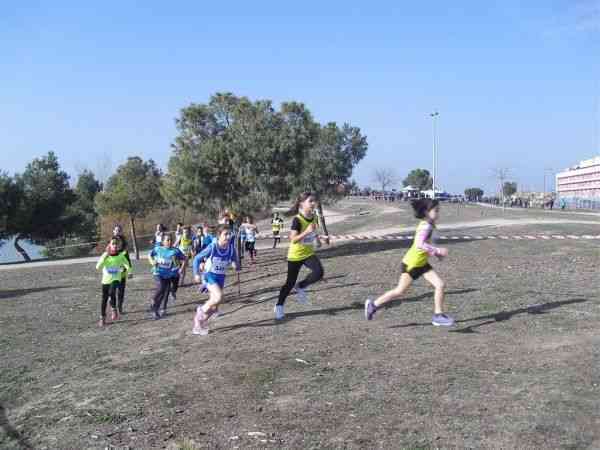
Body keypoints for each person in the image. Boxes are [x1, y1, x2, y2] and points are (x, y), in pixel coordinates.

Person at [364, 198, 454, 327]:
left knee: (440, 285)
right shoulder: (425, 226)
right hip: (412, 264)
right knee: (399, 291)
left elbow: (427, 244)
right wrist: (437, 250)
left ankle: (438, 316)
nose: (438, 213)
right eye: (436, 210)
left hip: (421, 263)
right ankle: (373, 305)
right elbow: (419, 244)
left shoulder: (430, 224)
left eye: (438, 210)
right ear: (426, 212)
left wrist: (435, 253)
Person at [274, 192, 328, 320]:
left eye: (314, 201)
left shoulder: (314, 217)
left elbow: (313, 233)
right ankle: (279, 306)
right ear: (302, 204)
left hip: (308, 253)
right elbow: (293, 239)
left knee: (319, 272)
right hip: (295, 256)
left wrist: (318, 240)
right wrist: (307, 231)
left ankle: (301, 286)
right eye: (311, 201)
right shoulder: (297, 220)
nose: (314, 203)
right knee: (289, 283)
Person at [192, 225, 239, 335]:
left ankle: (199, 324)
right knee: (219, 297)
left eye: (229, 234)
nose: (228, 236)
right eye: (225, 234)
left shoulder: (232, 249)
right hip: (209, 276)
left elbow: (235, 263)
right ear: (219, 236)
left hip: (220, 278)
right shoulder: (213, 247)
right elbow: (196, 259)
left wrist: (235, 265)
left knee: (214, 306)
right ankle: (200, 311)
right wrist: (196, 274)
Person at [148, 233, 186, 319]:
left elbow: (184, 259)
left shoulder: (175, 251)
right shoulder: (158, 249)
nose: (169, 242)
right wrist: (152, 262)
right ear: (163, 241)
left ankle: (155, 310)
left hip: (168, 274)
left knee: (163, 293)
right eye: (167, 240)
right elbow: (149, 255)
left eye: (170, 240)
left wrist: (181, 269)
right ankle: (153, 299)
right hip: (157, 272)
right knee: (161, 287)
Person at [96, 238, 131, 327]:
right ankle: (102, 318)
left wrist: (129, 272)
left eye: (116, 244)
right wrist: (104, 257)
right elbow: (98, 267)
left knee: (112, 292)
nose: (115, 245)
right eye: (113, 244)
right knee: (104, 299)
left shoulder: (120, 255)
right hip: (105, 280)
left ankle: (114, 309)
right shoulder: (105, 255)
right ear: (109, 245)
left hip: (116, 278)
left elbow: (127, 264)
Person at [111, 224, 132, 314]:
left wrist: (129, 270)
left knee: (121, 290)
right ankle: (113, 307)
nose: (118, 231)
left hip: (122, 270)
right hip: (113, 269)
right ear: (113, 231)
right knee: (112, 290)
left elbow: (127, 257)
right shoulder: (111, 241)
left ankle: (120, 306)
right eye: (116, 230)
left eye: (119, 230)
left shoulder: (124, 241)